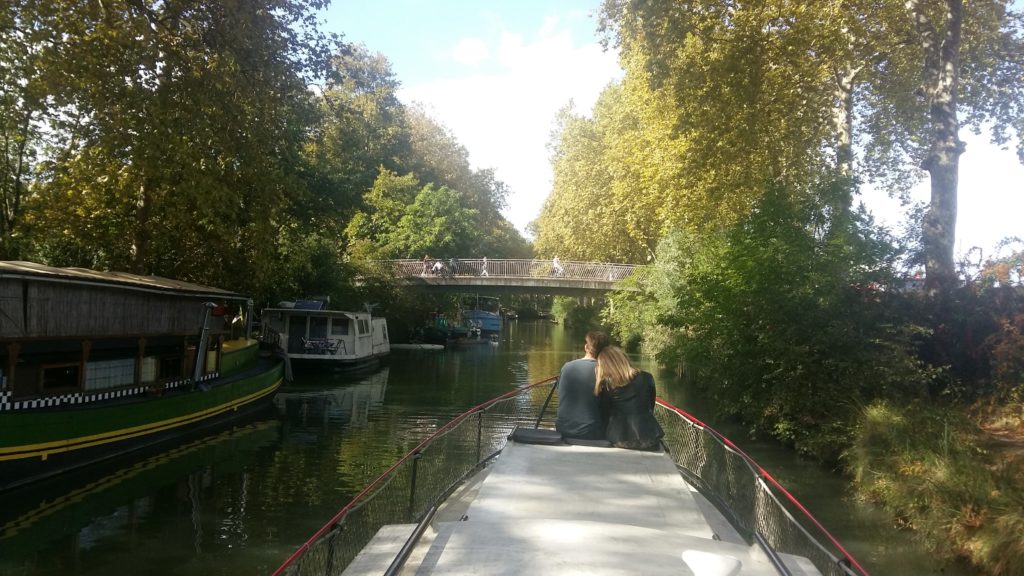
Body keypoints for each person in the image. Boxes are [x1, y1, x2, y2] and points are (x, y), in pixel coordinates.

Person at [594, 346, 664, 450]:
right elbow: (650, 406)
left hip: (620, 439)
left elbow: (604, 413)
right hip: (649, 437)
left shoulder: (607, 385)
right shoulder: (647, 377)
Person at [555, 331, 611, 440]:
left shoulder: (567, 367)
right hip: (593, 432)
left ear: (586, 347)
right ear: (607, 351)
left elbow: (561, 393)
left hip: (563, 429)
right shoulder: (607, 372)